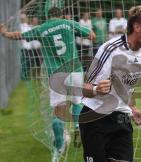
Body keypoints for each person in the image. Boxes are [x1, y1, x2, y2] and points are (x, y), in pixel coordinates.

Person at [0, 7, 97, 162]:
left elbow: (19, 36)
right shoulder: (68, 23)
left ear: (47, 16)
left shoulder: (42, 28)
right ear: (60, 15)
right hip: (74, 69)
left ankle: (58, 150)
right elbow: (92, 36)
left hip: (56, 73)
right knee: (77, 102)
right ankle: (78, 127)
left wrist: (4, 33)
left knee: (59, 111)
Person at [79, 4, 141, 162]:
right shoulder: (110, 49)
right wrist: (97, 89)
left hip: (121, 119)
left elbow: (125, 87)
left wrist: (133, 109)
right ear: (137, 27)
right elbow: (84, 89)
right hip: (95, 119)